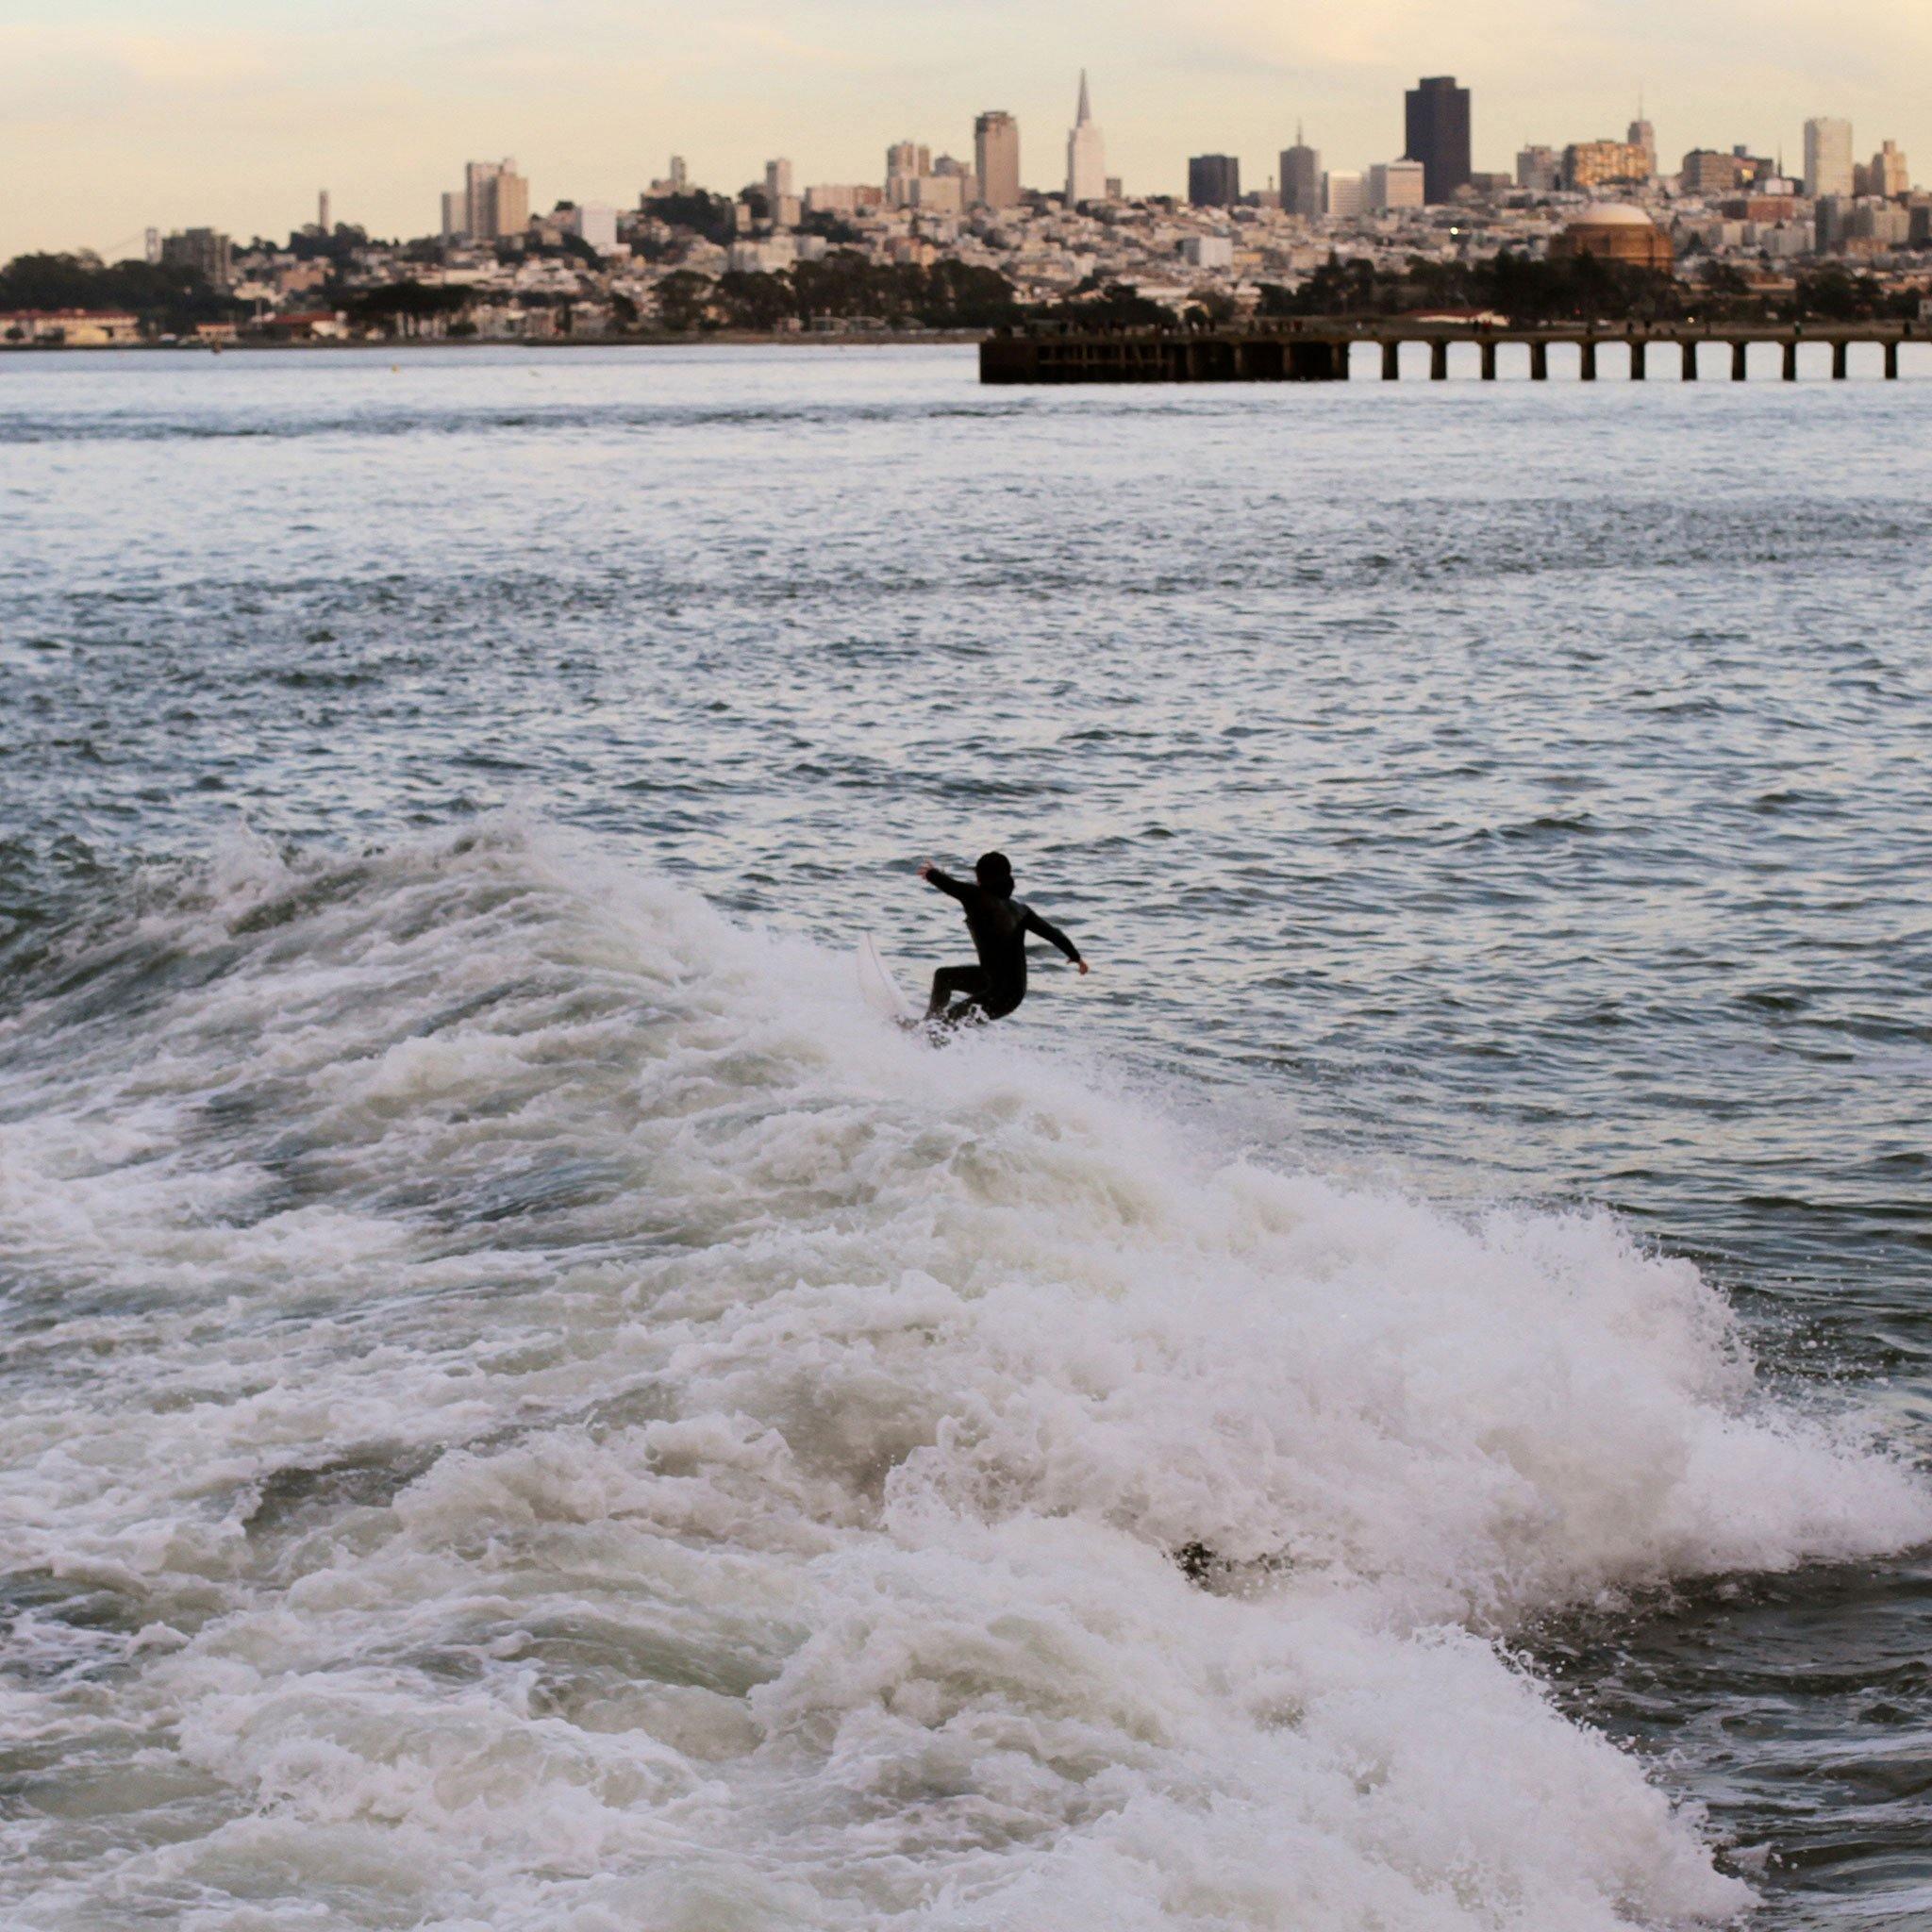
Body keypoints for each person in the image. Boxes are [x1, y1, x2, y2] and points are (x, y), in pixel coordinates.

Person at [917, 851, 1088, 1028]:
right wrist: (1076, 957)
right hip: (1005, 986)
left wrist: (931, 873)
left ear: (981, 876)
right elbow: (1054, 933)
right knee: (944, 977)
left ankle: (928, 1033)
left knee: (946, 1024)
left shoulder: (977, 897)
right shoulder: (1020, 910)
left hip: (1001, 994)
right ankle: (928, 1024)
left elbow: (950, 885)